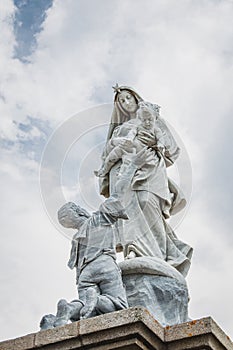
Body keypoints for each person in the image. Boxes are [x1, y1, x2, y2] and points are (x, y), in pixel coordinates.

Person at [42, 148, 153, 328]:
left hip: (84, 273)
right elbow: (118, 193)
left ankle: (69, 309)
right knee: (119, 305)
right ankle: (98, 299)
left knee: (86, 304)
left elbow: (76, 267)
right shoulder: (98, 219)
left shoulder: (76, 240)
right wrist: (133, 165)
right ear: (80, 211)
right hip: (104, 264)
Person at [97, 85, 192, 277]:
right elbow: (107, 154)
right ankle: (133, 250)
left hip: (149, 167)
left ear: (135, 98)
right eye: (121, 101)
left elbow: (171, 150)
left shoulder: (154, 120)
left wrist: (157, 146)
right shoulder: (119, 129)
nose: (126, 103)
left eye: (128, 98)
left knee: (147, 202)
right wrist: (115, 144)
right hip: (122, 172)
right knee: (126, 211)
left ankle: (161, 254)